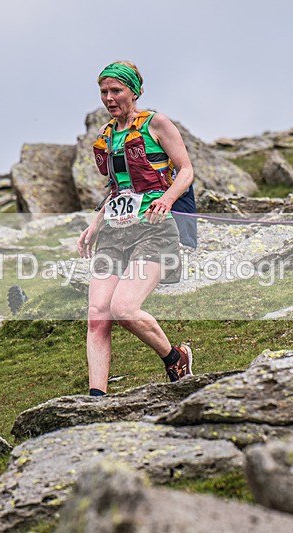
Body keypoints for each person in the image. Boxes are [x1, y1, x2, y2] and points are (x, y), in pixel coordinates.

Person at [77, 60, 194, 397]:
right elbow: (118, 188)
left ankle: (175, 358)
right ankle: (96, 399)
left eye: (116, 90)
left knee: (124, 309)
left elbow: (186, 170)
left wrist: (167, 199)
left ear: (134, 91)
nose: (109, 98)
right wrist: (95, 224)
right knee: (97, 314)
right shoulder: (108, 134)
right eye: (104, 92)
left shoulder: (157, 123)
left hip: (153, 229)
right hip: (115, 231)